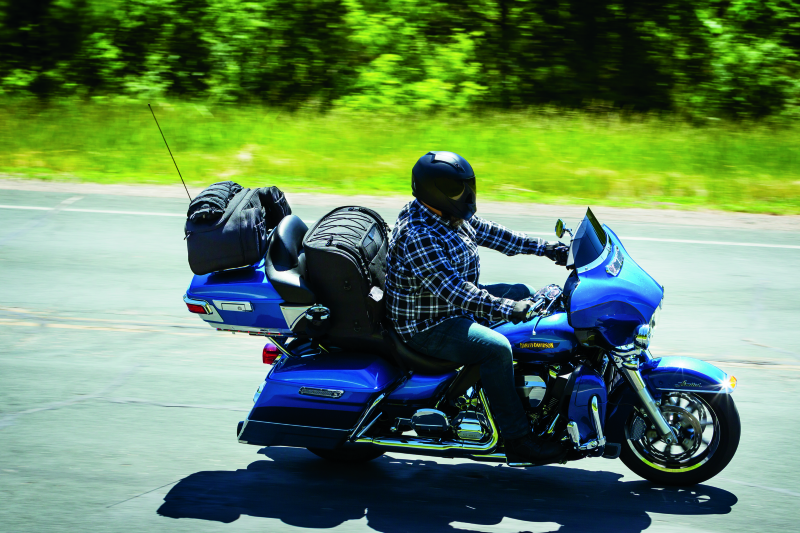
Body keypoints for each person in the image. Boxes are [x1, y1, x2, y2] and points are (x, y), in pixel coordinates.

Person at [385, 151, 569, 464]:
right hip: (427, 324)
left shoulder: (447, 214)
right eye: (459, 188)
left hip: (447, 307)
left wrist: (546, 248)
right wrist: (508, 308)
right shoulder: (419, 235)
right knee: (496, 349)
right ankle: (519, 440)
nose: (468, 194)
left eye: (468, 186)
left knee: (526, 293)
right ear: (436, 190)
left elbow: (493, 233)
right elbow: (455, 291)